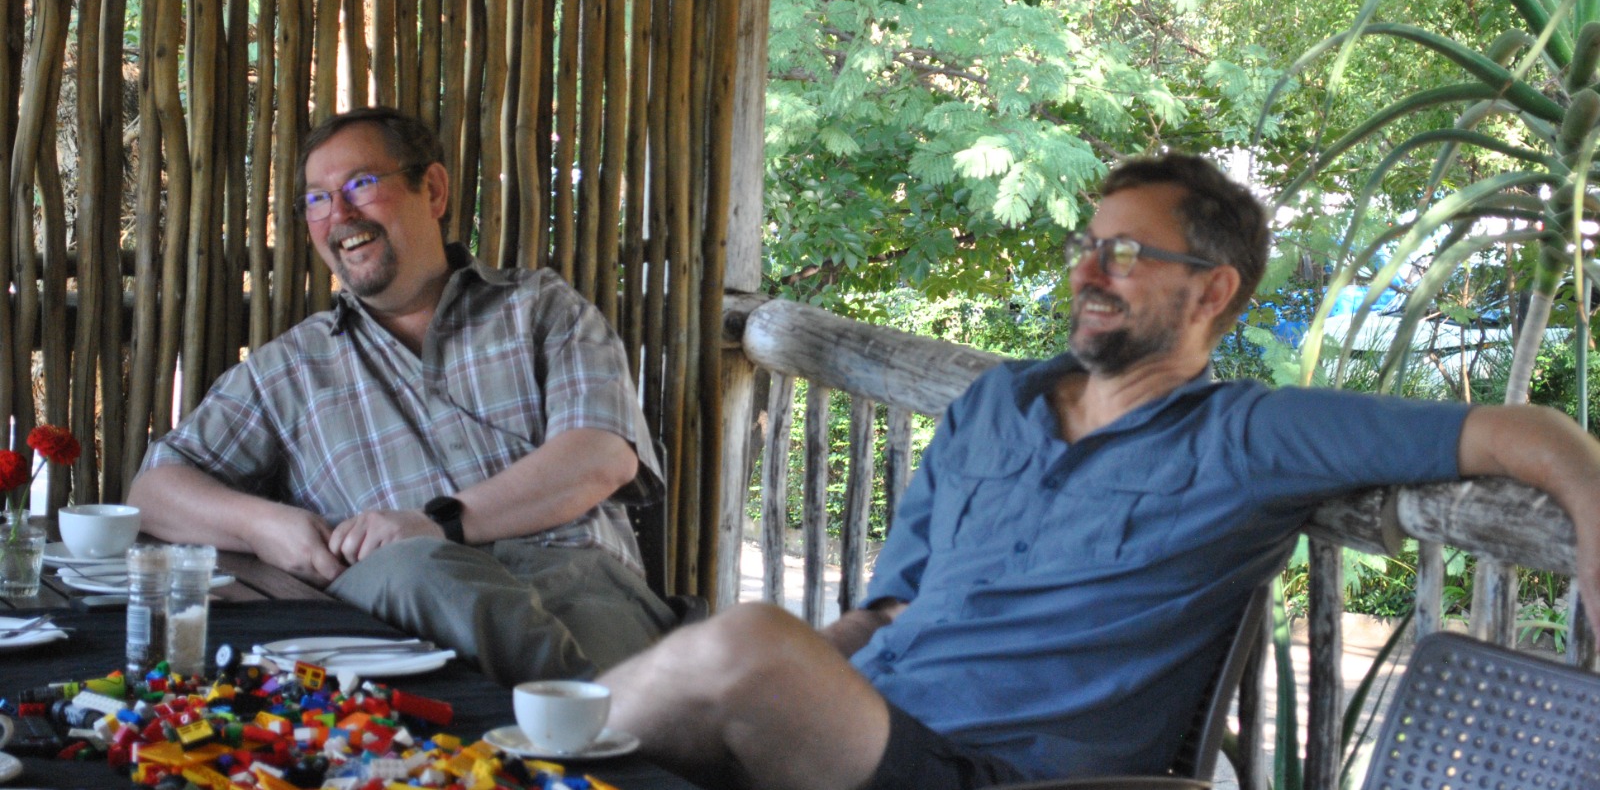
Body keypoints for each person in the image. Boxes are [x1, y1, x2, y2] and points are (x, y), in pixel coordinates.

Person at [597, 152, 1600, 790]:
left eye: (1125, 253)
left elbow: (1523, 431)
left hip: (999, 772)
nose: (1086, 271)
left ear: (1211, 290)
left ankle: (537, 744)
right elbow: (888, 608)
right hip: (864, 729)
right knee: (698, 693)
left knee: (744, 641)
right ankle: (535, 750)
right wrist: (795, 672)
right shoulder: (996, 404)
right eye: (1088, 246)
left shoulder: (1251, 436)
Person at [128, 106, 676, 684]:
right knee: (418, 571)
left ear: (432, 190)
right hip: (404, 611)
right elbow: (155, 488)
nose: (339, 214)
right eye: (317, 199)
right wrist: (263, 525)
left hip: (579, 584)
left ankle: (596, 716)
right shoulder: (288, 369)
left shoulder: (541, 309)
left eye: (361, 184)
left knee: (655, 665)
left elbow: (601, 456)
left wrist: (438, 522)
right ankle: (592, 717)